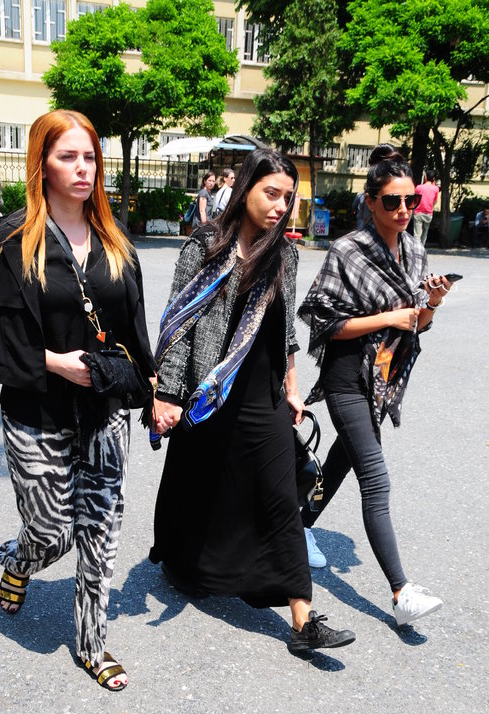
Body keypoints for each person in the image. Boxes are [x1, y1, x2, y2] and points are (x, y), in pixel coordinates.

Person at [0, 110, 156, 691]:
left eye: (89, 157)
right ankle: (21, 561)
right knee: (52, 531)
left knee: (100, 529)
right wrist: (53, 362)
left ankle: (93, 644)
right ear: (41, 164)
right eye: (67, 156)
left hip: (103, 411)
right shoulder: (10, 241)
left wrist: (153, 393)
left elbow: (136, 331)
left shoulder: (116, 242)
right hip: (36, 410)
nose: (82, 168)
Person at [149, 148, 356, 654]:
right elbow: (179, 322)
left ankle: (302, 621)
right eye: (272, 194)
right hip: (209, 391)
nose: (281, 206)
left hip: (263, 395)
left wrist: (292, 387)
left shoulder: (284, 254)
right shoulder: (205, 245)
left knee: (281, 497)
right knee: (198, 484)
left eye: (288, 197)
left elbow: (286, 331)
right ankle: (184, 562)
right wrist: (168, 394)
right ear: (246, 190)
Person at [298, 144, 451, 627]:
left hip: (381, 377)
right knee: (375, 477)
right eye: (392, 201)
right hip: (346, 376)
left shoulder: (415, 251)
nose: (403, 210)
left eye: (411, 201)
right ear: (370, 201)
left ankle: (298, 525)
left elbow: (417, 325)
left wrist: (432, 304)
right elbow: (324, 322)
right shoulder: (348, 250)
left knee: (342, 460)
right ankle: (401, 592)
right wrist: (389, 317)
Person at [413, 170, 439, 246]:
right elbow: (435, 201)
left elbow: (415, 199)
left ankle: (416, 249)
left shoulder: (419, 187)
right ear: (434, 179)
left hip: (418, 212)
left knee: (417, 234)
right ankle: (422, 248)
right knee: (424, 234)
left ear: (425, 177)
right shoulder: (436, 189)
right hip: (428, 213)